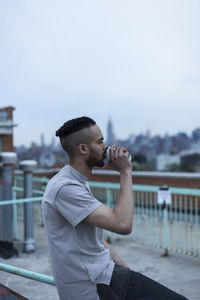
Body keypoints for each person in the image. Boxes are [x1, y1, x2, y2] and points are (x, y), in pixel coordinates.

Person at [42, 116, 187, 300]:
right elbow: (123, 224)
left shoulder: (76, 181)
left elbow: (95, 240)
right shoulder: (65, 188)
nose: (106, 147)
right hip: (92, 285)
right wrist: (125, 172)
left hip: (106, 275)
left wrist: (126, 271)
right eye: (100, 142)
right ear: (83, 149)